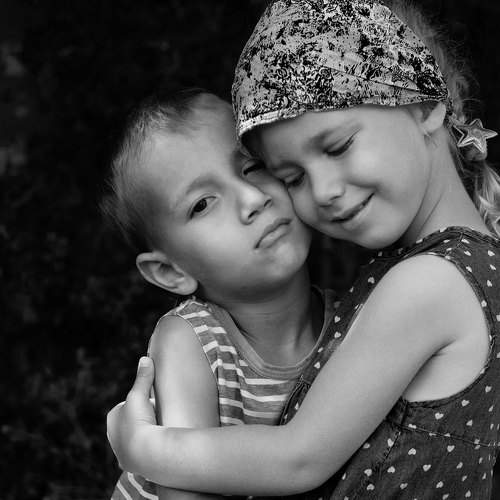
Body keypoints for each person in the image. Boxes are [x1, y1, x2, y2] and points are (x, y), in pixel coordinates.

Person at [107, 0, 500, 498]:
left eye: (337, 147)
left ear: (423, 106)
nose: (324, 191)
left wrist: (143, 448)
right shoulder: (447, 270)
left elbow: (300, 458)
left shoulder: (429, 282)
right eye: (292, 177)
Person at [103, 89, 336, 500]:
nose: (253, 199)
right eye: (202, 204)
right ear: (171, 271)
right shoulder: (191, 340)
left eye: (251, 167)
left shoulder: (351, 320)